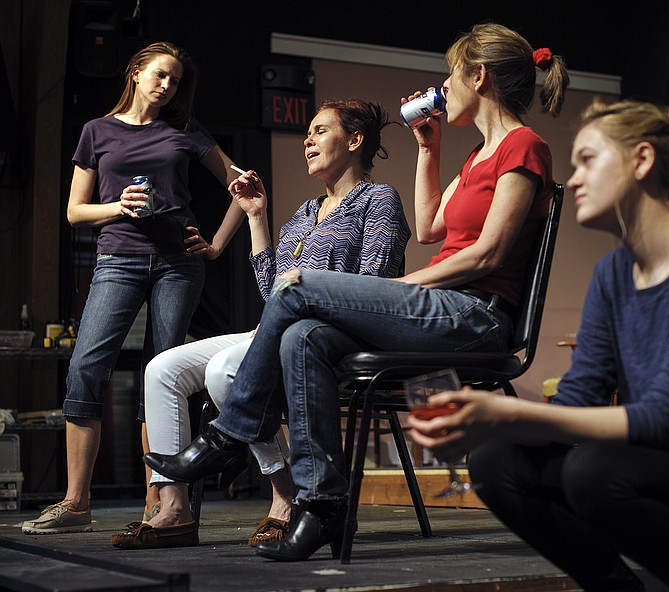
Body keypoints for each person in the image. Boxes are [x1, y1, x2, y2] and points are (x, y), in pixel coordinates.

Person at [143, 22, 570, 561]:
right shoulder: (478, 156)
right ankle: (321, 506)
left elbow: (488, 254)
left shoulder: (523, 147)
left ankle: (229, 434)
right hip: (441, 309)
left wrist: (405, 284)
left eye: (451, 75)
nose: (446, 87)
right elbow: (431, 229)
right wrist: (428, 149)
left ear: (478, 77)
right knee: (303, 336)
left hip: (476, 317)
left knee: (296, 289)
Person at [406, 99, 669, 591]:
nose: (572, 180)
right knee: (496, 461)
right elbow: (579, 399)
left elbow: (665, 419)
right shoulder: (614, 273)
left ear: (641, 160)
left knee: (594, 470)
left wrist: (505, 412)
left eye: (588, 159)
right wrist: (482, 428)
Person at [109, 99, 410, 549]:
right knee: (161, 369)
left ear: (354, 140)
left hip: (331, 336)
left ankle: (284, 497)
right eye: (307, 133)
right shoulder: (307, 213)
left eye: (320, 131)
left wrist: (305, 294)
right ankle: (173, 509)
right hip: (274, 328)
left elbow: (375, 284)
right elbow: (272, 292)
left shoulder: (378, 199)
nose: (307, 140)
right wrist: (255, 217)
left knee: (224, 370)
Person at [22, 42, 247, 534]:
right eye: (161, 75)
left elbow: (242, 185)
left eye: (176, 80)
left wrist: (215, 244)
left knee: (161, 373)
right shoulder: (97, 131)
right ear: (137, 72)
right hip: (117, 259)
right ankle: (76, 503)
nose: (167, 86)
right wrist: (117, 206)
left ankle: (159, 502)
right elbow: (75, 211)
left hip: (178, 264)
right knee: (86, 368)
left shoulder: (184, 130)